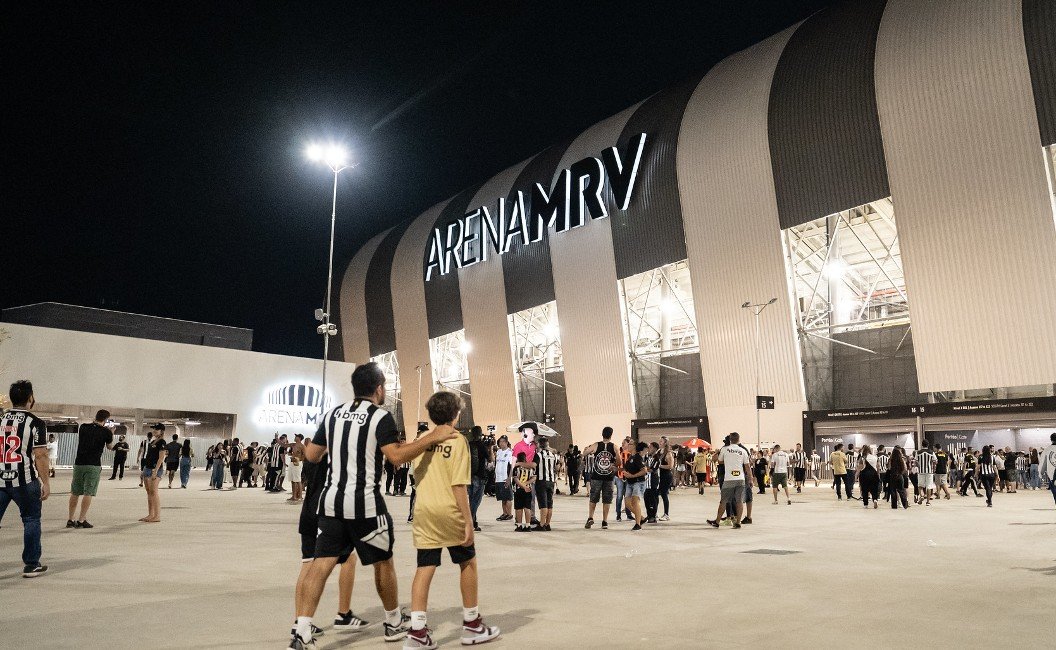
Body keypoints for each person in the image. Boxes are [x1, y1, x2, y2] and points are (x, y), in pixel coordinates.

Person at [291, 362, 457, 650]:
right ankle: (393, 622)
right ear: (379, 389)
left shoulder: (332, 415)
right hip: (365, 504)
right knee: (383, 561)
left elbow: (313, 455)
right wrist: (432, 437)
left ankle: (302, 631)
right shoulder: (380, 417)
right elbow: (396, 456)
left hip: (331, 503)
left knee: (321, 564)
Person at [403, 392, 500, 649]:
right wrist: (469, 521)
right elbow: (459, 485)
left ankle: (417, 632)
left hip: (424, 510)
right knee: (467, 562)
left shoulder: (422, 440)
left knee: (424, 567)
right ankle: (472, 624)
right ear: (456, 415)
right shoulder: (457, 441)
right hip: (449, 511)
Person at [0, 380, 51, 577]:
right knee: (31, 520)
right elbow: (41, 455)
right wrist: (46, 482)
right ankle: (31, 564)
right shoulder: (35, 423)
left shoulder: (1, 419)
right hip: (25, 480)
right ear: (30, 398)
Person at [68, 409, 114, 528]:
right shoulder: (106, 432)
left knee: (75, 492)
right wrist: (111, 433)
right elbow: (110, 447)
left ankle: (70, 519)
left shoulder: (83, 427)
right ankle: (81, 520)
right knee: (88, 492)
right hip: (93, 465)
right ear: (106, 420)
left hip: (79, 463)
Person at [708, 433, 751, 529]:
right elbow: (747, 466)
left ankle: (717, 521)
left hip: (729, 479)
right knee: (739, 501)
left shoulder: (725, 449)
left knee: (723, 501)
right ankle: (738, 523)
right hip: (740, 479)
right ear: (738, 439)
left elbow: (719, 461)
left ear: (730, 440)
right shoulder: (743, 450)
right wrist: (751, 479)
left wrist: (727, 460)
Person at [583, 427, 620, 530]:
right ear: (611, 435)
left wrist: (589, 452)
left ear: (602, 434)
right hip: (609, 477)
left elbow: (585, 453)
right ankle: (604, 521)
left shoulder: (596, 445)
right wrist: (613, 464)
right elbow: (619, 462)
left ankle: (590, 517)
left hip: (596, 476)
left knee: (593, 498)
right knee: (607, 500)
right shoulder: (614, 447)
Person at [140, 424, 168, 522]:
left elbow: (161, 458)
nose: (154, 431)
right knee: (149, 492)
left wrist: (155, 470)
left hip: (155, 469)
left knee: (154, 492)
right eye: (154, 429)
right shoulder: (152, 441)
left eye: (157, 429)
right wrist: (144, 469)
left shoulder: (162, 442)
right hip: (147, 468)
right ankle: (150, 514)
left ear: (162, 431)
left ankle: (157, 516)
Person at [534, 435, 560, 531]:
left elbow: (534, 466)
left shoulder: (538, 455)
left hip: (541, 481)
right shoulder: (553, 455)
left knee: (543, 504)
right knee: (549, 504)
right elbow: (557, 468)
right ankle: (547, 524)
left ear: (540, 445)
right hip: (551, 481)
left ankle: (541, 524)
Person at [466, 426, 489, 532]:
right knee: (476, 500)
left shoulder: (468, 444)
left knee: (471, 500)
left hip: (469, 475)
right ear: (480, 434)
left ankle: (474, 523)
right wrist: (490, 448)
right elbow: (490, 459)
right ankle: (470, 522)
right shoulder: (482, 445)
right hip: (479, 476)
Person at [622, 442, 649, 530]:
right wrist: (617, 469)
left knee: (635, 502)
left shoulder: (637, 457)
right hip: (630, 482)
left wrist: (632, 476)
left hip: (638, 482)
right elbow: (627, 469)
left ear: (634, 447)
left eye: (630, 444)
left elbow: (644, 470)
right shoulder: (630, 457)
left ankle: (638, 524)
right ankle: (641, 518)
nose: (627, 446)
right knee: (627, 504)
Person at [511, 452, 536, 532]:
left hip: (518, 489)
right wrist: (526, 484)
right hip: (528, 489)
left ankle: (519, 525)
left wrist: (522, 486)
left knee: (519, 508)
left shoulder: (516, 467)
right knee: (527, 507)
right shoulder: (530, 468)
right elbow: (534, 478)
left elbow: (516, 479)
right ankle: (528, 525)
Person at [492, 435, 513, 521]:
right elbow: (495, 463)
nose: (501, 443)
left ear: (507, 442)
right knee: (502, 498)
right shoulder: (499, 452)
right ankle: (504, 513)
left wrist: (509, 478)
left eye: (503, 441)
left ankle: (509, 514)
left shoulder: (510, 452)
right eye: (500, 442)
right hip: (498, 478)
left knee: (508, 497)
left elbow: (512, 467)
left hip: (505, 478)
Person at [656, 437, 674, 521]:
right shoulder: (659, 452)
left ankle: (666, 514)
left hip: (666, 476)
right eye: (659, 441)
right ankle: (655, 512)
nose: (659, 442)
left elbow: (670, 466)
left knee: (664, 494)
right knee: (656, 494)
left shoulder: (668, 453)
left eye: (661, 441)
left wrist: (659, 466)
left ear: (665, 443)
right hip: (659, 475)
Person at [287, 434, 305, 502]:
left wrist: (298, 459)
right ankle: (294, 496)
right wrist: (277, 438)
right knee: (292, 480)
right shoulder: (293, 445)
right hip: (292, 463)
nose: (294, 437)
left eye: (296, 436)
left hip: (297, 463)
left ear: (299, 438)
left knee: (297, 480)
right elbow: (284, 445)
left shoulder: (302, 446)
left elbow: (305, 455)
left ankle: (300, 496)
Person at [1041, 433, 1056, 506]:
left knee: (1054, 488)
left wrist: (1042, 471)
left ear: (1051, 440)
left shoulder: (1048, 449)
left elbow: (1044, 462)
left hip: (1051, 472)